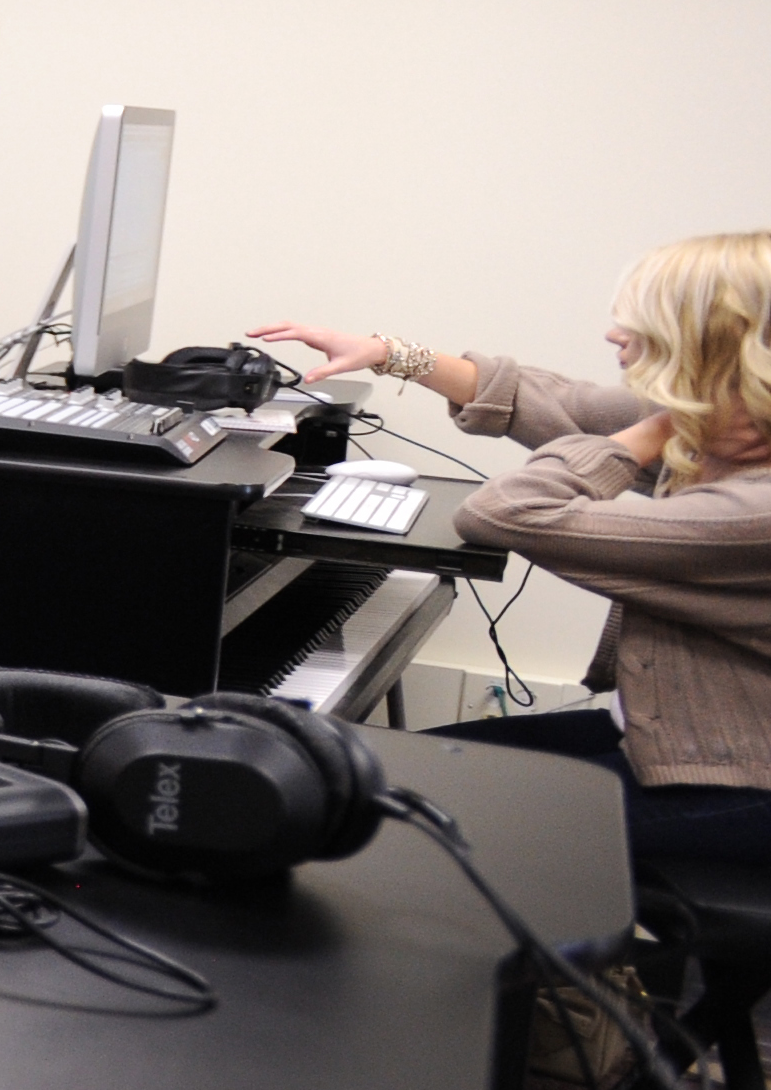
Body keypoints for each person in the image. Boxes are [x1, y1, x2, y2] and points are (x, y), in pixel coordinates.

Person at [253, 237, 771, 862]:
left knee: (393, 828)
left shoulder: (753, 510)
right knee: (378, 770)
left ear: (717, 346)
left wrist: (653, 429)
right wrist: (390, 355)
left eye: (642, 323)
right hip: (671, 738)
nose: (615, 335)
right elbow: (566, 407)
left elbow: (506, 512)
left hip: (735, 782)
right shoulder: (737, 431)